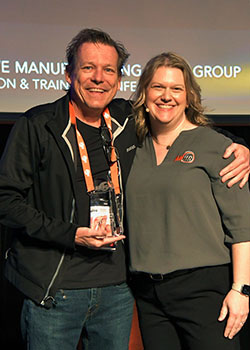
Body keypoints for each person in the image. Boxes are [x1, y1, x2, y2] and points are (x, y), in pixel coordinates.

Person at [0, 29, 249, 350]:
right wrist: (69, 233)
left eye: (109, 70)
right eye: (88, 68)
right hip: (56, 290)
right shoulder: (37, 125)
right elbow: (5, 200)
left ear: (119, 80)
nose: (98, 79)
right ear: (68, 73)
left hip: (118, 291)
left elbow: (190, 130)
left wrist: (241, 147)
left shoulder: (126, 121)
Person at [125, 52, 250, 350]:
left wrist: (242, 290)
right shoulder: (132, 147)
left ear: (189, 95)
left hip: (205, 291)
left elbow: (241, 227)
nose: (166, 96)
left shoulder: (216, 146)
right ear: (144, 92)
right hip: (147, 294)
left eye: (176, 89)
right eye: (158, 87)